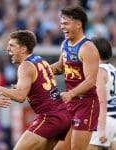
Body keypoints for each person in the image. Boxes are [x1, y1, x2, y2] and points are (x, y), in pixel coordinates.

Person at [0, 30, 71, 150]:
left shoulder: (25, 66)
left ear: (23, 49)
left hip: (49, 117)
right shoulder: (39, 60)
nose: (8, 49)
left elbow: (20, 96)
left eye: (11, 45)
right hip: (62, 115)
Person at [51, 5, 100, 150]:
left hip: (86, 104)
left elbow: (91, 80)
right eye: (61, 24)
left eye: (66, 23)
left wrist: (71, 93)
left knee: (77, 148)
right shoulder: (65, 44)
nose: (62, 27)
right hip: (70, 103)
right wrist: (42, 69)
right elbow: (61, 66)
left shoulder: (88, 48)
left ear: (79, 24)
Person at [88, 37, 116, 150]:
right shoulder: (112, 68)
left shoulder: (99, 71)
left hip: (105, 119)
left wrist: (102, 129)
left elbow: (101, 101)